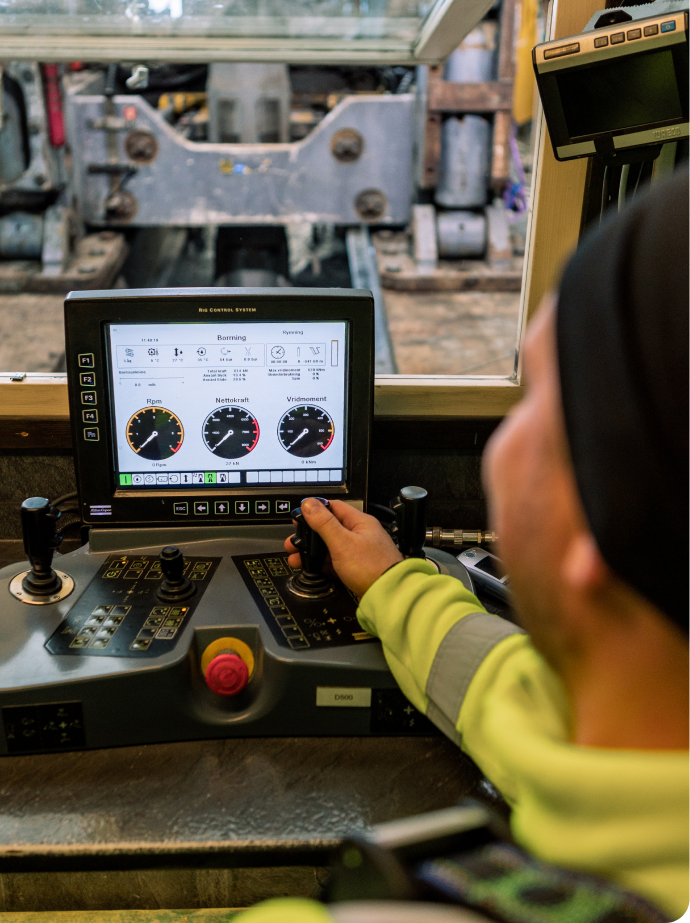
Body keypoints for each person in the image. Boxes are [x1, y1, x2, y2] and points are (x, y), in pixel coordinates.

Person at [238, 169, 690, 923]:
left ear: (594, 523)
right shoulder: (626, 728)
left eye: (533, 398)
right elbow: (505, 687)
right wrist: (392, 582)